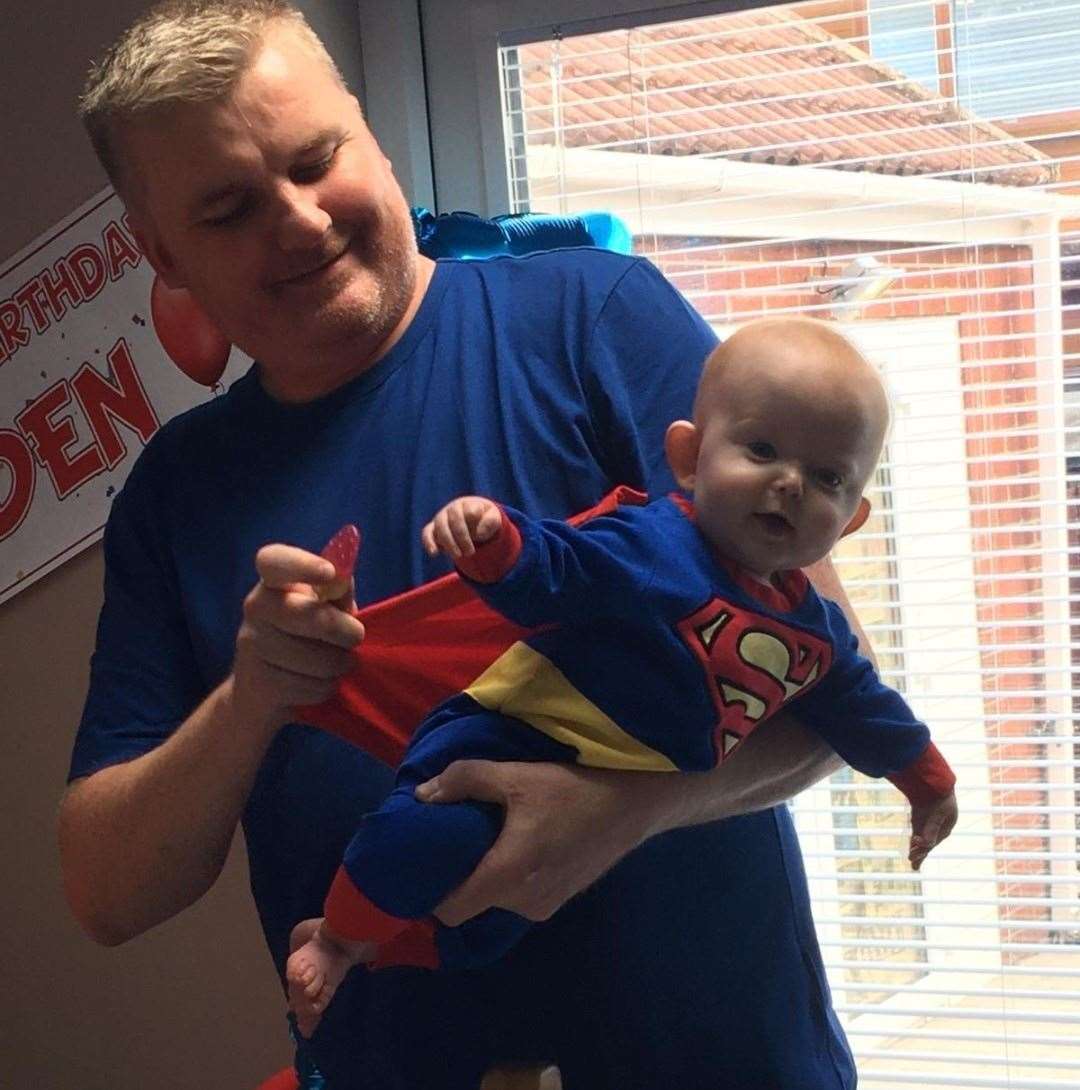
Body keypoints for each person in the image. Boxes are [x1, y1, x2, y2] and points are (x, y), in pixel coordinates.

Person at [61, 3, 871, 1087]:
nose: (298, 223)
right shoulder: (177, 493)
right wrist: (252, 697)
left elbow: (827, 690)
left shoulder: (595, 321)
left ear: (369, 130)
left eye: (316, 159)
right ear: (160, 250)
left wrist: (614, 817)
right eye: (229, 208)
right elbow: (109, 891)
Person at [284, 318, 958, 1036]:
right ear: (690, 458)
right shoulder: (654, 544)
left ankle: (393, 944)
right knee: (423, 836)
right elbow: (559, 570)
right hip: (510, 737)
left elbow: (869, 712)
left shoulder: (815, 636)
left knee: (489, 917)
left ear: (851, 519)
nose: (789, 484)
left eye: (827, 478)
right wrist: (496, 541)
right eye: (761, 450)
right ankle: (333, 937)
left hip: (599, 787)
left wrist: (931, 786)